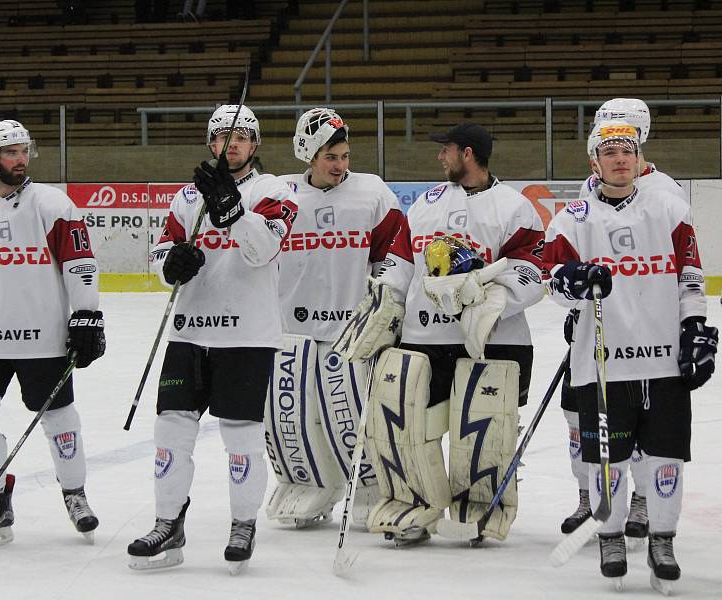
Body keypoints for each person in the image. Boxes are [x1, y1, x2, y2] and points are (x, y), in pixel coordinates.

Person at [335, 123, 545, 545]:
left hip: (491, 342)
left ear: (468, 154)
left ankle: (480, 507)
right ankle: (415, 507)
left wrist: (493, 297)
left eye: (445, 150)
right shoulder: (427, 203)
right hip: (424, 339)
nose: (439, 157)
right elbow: (399, 259)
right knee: (408, 428)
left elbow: (534, 268)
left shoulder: (514, 207)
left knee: (484, 433)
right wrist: (387, 300)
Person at [543, 121, 716, 593]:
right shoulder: (573, 216)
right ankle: (610, 535)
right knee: (609, 460)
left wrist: (695, 326)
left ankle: (663, 539)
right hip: (602, 362)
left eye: (627, 150)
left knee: (665, 459)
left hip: (662, 361)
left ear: (639, 158)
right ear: (593, 162)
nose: (620, 158)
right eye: (609, 151)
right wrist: (573, 280)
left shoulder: (669, 208)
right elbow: (552, 277)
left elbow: (691, 276)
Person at [126, 105, 298, 574]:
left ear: (256, 145)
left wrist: (231, 209)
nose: (233, 144)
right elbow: (161, 250)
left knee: (241, 434)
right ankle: (168, 521)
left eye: (243, 136)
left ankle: (242, 524)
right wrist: (170, 263)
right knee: (170, 430)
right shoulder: (186, 195)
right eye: (224, 136)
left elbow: (263, 249)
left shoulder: (274, 190)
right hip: (190, 332)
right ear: (211, 144)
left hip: (248, 334)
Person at [0, 120, 105, 549]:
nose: (21, 159)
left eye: (24, 150)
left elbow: (80, 264)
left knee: (60, 419)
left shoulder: (53, 204)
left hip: (43, 339)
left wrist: (87, 316)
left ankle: (75, 494)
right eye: (11, 152)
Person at [264, 108, 404, 529]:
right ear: (308, 153)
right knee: (288, 413)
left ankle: (369, 488)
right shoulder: (281, 194)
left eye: (344, 156)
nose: (341, 166)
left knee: (350, 413)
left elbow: (394, 252)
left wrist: (386, 297)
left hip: (351, 330)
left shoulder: (372, 192)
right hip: (290, 329)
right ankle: (306, 483)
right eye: (331, 157)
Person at [561, 98, 688, 543]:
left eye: (621, 137)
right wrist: (576, 300)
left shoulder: (665, 192)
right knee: (583, 417)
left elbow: (670, 268)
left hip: (646, 338)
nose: (616, 151)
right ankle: (591, 495)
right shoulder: (590, 185)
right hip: (599, 330)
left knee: (641, 424)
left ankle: (640, 500)